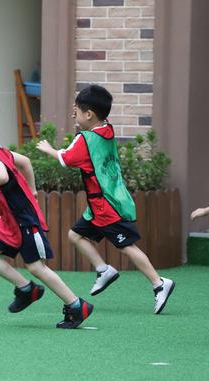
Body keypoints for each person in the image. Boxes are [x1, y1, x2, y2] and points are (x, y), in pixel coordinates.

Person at [0, 96, 92, 328]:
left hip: (23, 219)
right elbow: (25, 162)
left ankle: (77, 305)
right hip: (9, 220)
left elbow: (2, 176)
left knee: (37, 267)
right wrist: (32, 190)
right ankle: (26, 289)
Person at [37, 84, 175, 314]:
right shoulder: (107, 129)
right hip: (102, 203)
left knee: (127, 247)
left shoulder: (86, 140)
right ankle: (104, 270)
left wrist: (49, 148)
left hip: (106, 205)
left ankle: (159, 284)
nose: (75, 114)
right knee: (75, 235)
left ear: (89, 114)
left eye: (78, 111)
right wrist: (81, 112)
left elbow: (67, 158)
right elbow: (87, 134)